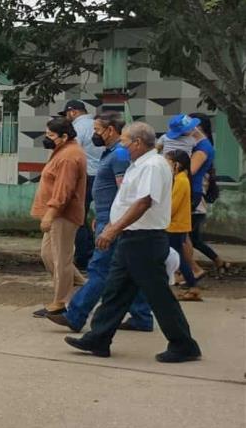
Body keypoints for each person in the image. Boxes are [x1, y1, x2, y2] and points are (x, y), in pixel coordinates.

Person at [65, 122, 202, 363]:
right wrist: (112, 224)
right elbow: (128, 200)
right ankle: (99, 338)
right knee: (116, 291)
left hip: (144, 239)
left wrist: (113, 229)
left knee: (159, 295)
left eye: (125, 142)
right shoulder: (138, 164)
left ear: (138, 143)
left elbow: (144, 202)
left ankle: (184, 344)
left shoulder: (152, 165)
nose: (123, 146)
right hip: (131, 238)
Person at [51, 112, 154, 333]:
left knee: (99, 269)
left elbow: (124, 192)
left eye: (97, 130)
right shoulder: (112, 153)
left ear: (110, 130)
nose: (94, 134)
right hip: (109, 217)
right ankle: (142, 317)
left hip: (112, 223)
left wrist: (112, 223)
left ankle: (75, 315)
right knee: (129, 271)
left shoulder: (118, 155)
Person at [31, 116, 87, 317]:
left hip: (62, 215)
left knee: (61, 259)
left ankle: (60, 302)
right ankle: (83, 287)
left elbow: (64, 191)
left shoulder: (68, 157)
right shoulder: (62, 151)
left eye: (51, 135)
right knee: (50, 256)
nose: (47, 139)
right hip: (54, 214)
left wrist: (50, 214)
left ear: (64, 136)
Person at [61, 100, 104, 270]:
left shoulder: (77, 129)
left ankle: (84, 257)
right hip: (102, 176)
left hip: (86, 176)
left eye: (66, 114)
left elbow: (73, 154)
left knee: (77, 217)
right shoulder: (97, 124)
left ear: (72, 112)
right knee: (103, 216)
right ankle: (97, 254)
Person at [187, 113, 228, 275]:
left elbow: (191, 171)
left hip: (195, 198)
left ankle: (191, 271)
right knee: (192, 239)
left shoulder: (202, 149)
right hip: (198, 198)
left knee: (183, 238)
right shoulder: (202, 147)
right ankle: (217, 262)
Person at [164, 150, 201, 301]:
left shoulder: (181, 181)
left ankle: (192, 286)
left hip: (174, 226)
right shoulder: (180, 179)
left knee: (177, 257)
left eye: (168, 162)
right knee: (179, 257)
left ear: (176, 165)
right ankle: (192, 286)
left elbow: (172, 206)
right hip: (176, 225)